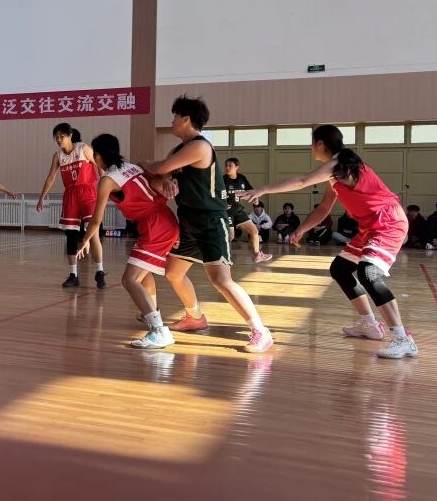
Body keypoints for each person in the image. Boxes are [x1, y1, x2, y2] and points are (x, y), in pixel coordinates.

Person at [240, 124, 417, 359]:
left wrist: (262, 190)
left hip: (388, 221)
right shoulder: (337, 173)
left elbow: (302, 181)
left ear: (320, 143)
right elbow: (324, 208)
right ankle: (370, 325)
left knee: (368, 272)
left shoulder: (340, 164)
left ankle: (403, 339)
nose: (311, 147)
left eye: (312, 142)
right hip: (369, 226)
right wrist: (302, 229)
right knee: (340, 269)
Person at [140, 95, 273, 353]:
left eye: (175, 117)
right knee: (173, 273)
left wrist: (148, 166)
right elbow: (162, 176)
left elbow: (159, 167)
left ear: (186, 119)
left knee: (221, 280)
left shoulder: (200, 146)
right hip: (188, 221)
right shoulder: (178, 150)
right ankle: (195, 318)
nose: (172, 121)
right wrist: (164, 180)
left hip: (211, 220)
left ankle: (260, 330)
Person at [76, 134, 179, 348]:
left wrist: (85, 240)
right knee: (144, 273)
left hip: (155, 227)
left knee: (129, 280)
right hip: (164, 220)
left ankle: (159, 330)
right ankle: (151, 312)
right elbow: (157, 181)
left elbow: (96, 220)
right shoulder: (133, 166)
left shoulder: (107, 180)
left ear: (98, 156)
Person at [35, 123, 106, 289]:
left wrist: (105, 186)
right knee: (71, 237)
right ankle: (73, 275)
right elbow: (51, 177)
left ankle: (100, 271)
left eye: (62, 136)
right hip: (70, 196)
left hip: (88, 193)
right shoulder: (58, 156)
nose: (59, 140)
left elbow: (101, 165)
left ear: (70, 136)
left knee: (93, 234)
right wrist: (41, 197)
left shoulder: (83, 149)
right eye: (56, 137)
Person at [223, 158, 272, 263]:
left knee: (254, 231)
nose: (227, 167)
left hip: (239, 211)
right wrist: (221, 204)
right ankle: (221, 256)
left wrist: (255, 199)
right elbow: (213, 195)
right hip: (227, 212)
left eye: (230, 165)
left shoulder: (242, 178)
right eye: (226, 165)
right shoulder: (222, 180)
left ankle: (257, 255)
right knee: (230, 236)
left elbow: (251, 192)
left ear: (237, 167)